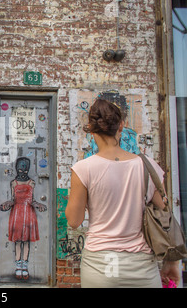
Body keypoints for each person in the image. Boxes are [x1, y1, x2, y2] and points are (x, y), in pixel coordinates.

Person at [65, 98, 180, 288]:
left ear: (91, 130)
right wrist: (172, 262)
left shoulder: (83, 169)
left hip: (99, 267)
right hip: (142, 267)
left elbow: (74, 221)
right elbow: (166, 217)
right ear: (121, 126)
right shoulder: (148, 166)